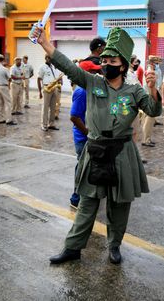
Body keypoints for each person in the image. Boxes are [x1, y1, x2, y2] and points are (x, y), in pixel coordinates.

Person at [31, 26, 161, 265]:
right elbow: (67, 66)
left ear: (122, 65)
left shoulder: (134, 91)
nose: (106, 63)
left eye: (112, 60)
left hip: (122, 153)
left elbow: (153, 110)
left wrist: (153, 88)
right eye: (104, 59)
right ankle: (72, 248)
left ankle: (114, 246)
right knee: (87, 202)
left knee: (119, 204)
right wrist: (45, 43)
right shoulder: (93, 83)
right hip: (95, 151)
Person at [69, 37, 106, 209]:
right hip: (83, 138)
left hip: (93, 137)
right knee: (83, 167)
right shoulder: (82, 91)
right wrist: (88, 133)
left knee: (92, 167)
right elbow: (75, 117)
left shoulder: (96, 90)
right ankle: (76, 198)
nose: (100, 75)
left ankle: (90, 194)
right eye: (97, 72)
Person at [141, 55, 162, 147]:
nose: (157, 64)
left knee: (147, 119)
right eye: (156, 63)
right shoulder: (150, 71)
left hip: (152, 93)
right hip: (150, 94)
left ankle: (146, 138)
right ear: (152, 63)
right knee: (149, 119)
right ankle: (146, 140)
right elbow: (148, 85)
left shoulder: (155, 70)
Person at [37, 55, 60, 131]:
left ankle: (51, 124)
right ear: (46, 58)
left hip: (54, 87)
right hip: (46, 88)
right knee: (45, 107)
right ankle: (44, 124)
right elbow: (39, 79)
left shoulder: (53, 67)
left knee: (53, 107)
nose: (51, 59)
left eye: (51, 58)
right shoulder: (42, 67)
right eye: (49, 58)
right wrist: (40, 91)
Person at [0, 54, 17, 125]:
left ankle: (1, 119)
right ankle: (8, 120)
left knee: (0, 103)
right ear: (3, 59)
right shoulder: (5, 69)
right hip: (4, 86)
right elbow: (9, 78)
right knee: (8, 103)